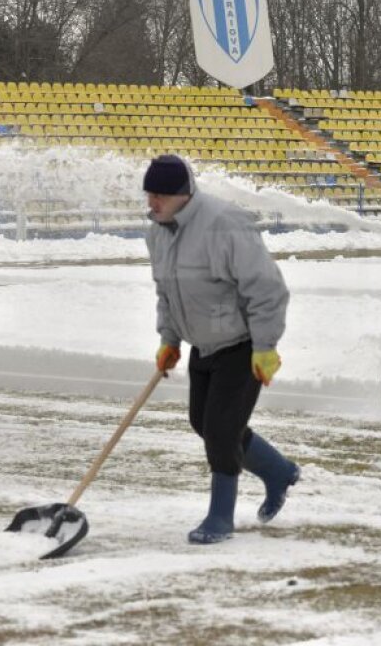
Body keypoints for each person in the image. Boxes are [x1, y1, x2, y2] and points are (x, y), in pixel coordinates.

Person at [143, 154, 299, 544]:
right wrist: (169, 340)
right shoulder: (158, 232)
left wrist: (265, 347)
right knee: (203, 423)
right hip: (204, 345)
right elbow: (167, 292)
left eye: (160, 195)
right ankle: (278, 470)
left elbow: (267, 290)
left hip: (242, 345)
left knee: (221, 430)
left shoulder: (223, 225)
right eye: (150, 195)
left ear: (184, 195)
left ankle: (220, 517)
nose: (152, 203)